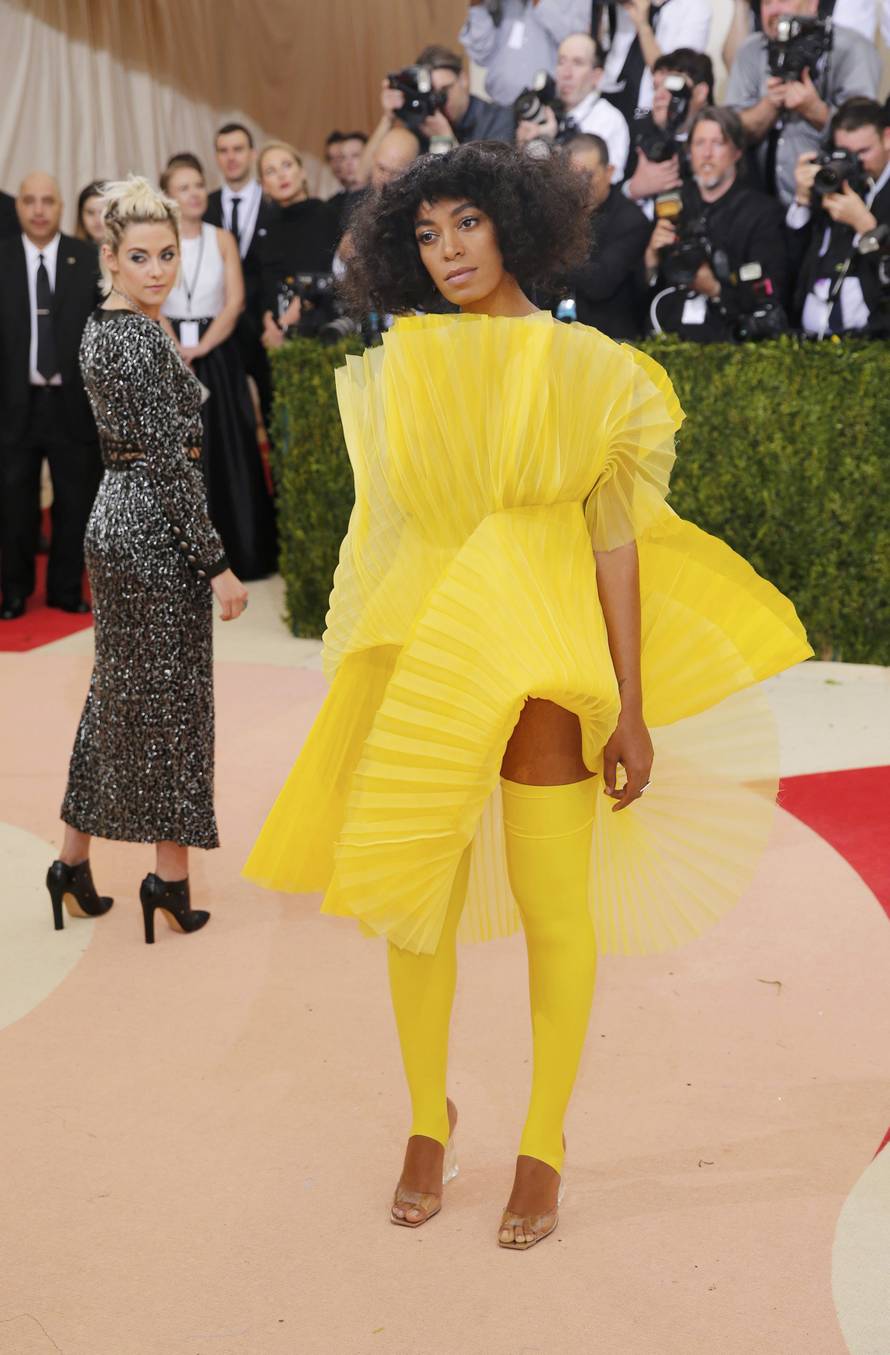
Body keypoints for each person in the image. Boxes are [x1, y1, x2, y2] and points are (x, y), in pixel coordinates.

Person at [244, 141, 811, 1250]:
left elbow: (613, 544)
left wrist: (631, 704)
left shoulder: (588, 367)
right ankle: (425, 1116)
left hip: (543, 650)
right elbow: (387, 529)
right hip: (433, 647)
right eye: (424, 233)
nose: (447, 250)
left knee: (558, 906)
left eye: (465, 223)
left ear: (514, 226)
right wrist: (358, 656)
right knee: (413, 897)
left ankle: (542, 1137)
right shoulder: (404, 364)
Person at [48, 175, 247, 943]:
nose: (158, 269)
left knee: (121, 696)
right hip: (151, 531)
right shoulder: (135, 336)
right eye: (140, 256)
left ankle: (70, 862)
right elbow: (169, 463)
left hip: (118, 520)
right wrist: (217, 563)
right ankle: (168, 878)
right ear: (111, 257)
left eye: (167, 254)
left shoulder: (108, 324)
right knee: (175, 705)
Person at [160, 155, 276, 579]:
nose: (192, 194)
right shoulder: (161, 241)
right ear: (168, 197)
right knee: (181, 456)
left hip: (219, 354)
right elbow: (152, 300)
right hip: (173, 353)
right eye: (182, 188)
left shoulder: (221, 238)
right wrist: (178, 350)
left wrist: (204, 346)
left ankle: (243, 552)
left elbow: (236, 301)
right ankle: (187, 561)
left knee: (231, 447)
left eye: (196, 185)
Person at [0, 172, 101, 620]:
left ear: (61, 207)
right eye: (29, 200)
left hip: (71, 405)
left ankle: (64, 589)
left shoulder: (88, 258)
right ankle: (15, 591)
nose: (39, 209)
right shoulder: (1, 257)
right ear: (17, 206)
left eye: (47, 201)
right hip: (13, 405)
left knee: (74, 502)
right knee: (14, 505)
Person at [645, 106, 788, 340]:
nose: (707, 153)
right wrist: (650, 258)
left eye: (718, 143)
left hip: (729, 337)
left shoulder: (762, 212)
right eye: (699, 143)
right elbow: (646, 290)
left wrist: (715, 289)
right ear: (689, 151)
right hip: (668, 331)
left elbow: (772, 297)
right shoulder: (671, 202)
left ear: (737, 151)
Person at [725, 0, 880, 207]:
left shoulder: (852, 48)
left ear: (813, 4)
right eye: (767, 3)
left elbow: (864, 136)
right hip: (761, 204)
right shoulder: (751, 50)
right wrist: (769, 105)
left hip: (832, 201)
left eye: (783, 0)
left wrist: (815, 109)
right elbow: (730, 131)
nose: (774, 11)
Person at [787, 97, 890, 337]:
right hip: (810, 341)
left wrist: (866, 227)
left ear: (887, 138)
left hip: (873, 344)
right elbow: (791, 265)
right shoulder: (829, 183)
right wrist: (802, 201)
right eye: (844, 153)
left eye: (864, 151)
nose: (855, 163)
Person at [204, 122, 279, 433]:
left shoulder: (274, 201)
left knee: (275, 412)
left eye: (238, 150)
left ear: (252, 154)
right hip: (221, 330)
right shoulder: (204, 205)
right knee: (229, 419)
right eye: (223, 151)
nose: (231, 157)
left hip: (265, 325)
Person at [562, 132, 650, 338]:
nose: (579, 186)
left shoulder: (631, 220)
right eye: (571, 177)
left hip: (612, 342)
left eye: (587, 176)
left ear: (609, 171)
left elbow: (599, 283)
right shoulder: (558, 214)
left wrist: (557, 253)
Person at [255, 141, 341, 351]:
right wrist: (268, 319)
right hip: (277, 338)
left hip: (321, 333)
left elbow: (321, 273)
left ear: (302, 172)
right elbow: (266, 283)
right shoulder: (266, 228)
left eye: (287, 165)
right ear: (264, 185)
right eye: (271, 171)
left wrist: (284, 323)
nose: (281, 175)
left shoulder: (324, 214)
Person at [516, 33, 631, 181]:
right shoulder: (543, 112)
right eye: (561, 62)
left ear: (597, 76)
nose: (566, 73)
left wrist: (552, 143)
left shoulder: (608, 119)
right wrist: (522, 145)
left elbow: (603, 184)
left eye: (577, 63)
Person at [623, 48, 714, 219]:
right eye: (656, 87)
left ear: (700, 93)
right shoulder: (635, 131)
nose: (659, 96)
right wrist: (633, 189)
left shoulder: (719, 138)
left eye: (671, 86)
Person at [597, 0, 711, 125]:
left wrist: (642, 24)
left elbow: (674, 74)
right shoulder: (624, 6)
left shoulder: (694, 8)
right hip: (610, 93)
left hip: (652, 107)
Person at [459, 0, 593, 105]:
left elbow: (578, 45)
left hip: (548, 105)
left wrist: (539, 3)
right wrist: (476, 4)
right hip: (499, 104)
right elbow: (480, 54)